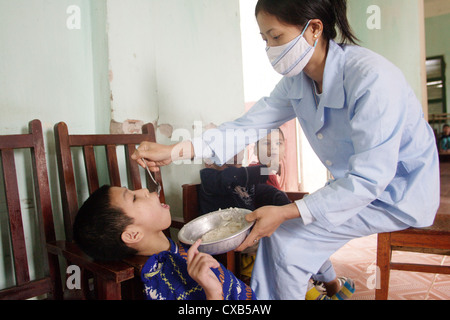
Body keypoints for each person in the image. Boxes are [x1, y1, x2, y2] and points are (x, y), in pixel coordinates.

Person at [132, 0, 440, 300]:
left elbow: (371, 179)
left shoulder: (371, 79)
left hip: (397, 193)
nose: (270, 49)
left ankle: (318, 286)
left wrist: (287, 211)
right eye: (265, 39)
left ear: (314, 29)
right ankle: (324, 287)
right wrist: (173, 151)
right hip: (352, 189)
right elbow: (246, 127)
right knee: (282, 238)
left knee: (287, 239)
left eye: (276, 37)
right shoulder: (297, 82)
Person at [73, 185, 256, 300]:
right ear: (133, 235)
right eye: (134, 198)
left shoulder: (177, 247)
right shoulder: (160, 284)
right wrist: (213, 293)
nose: (143, 190)